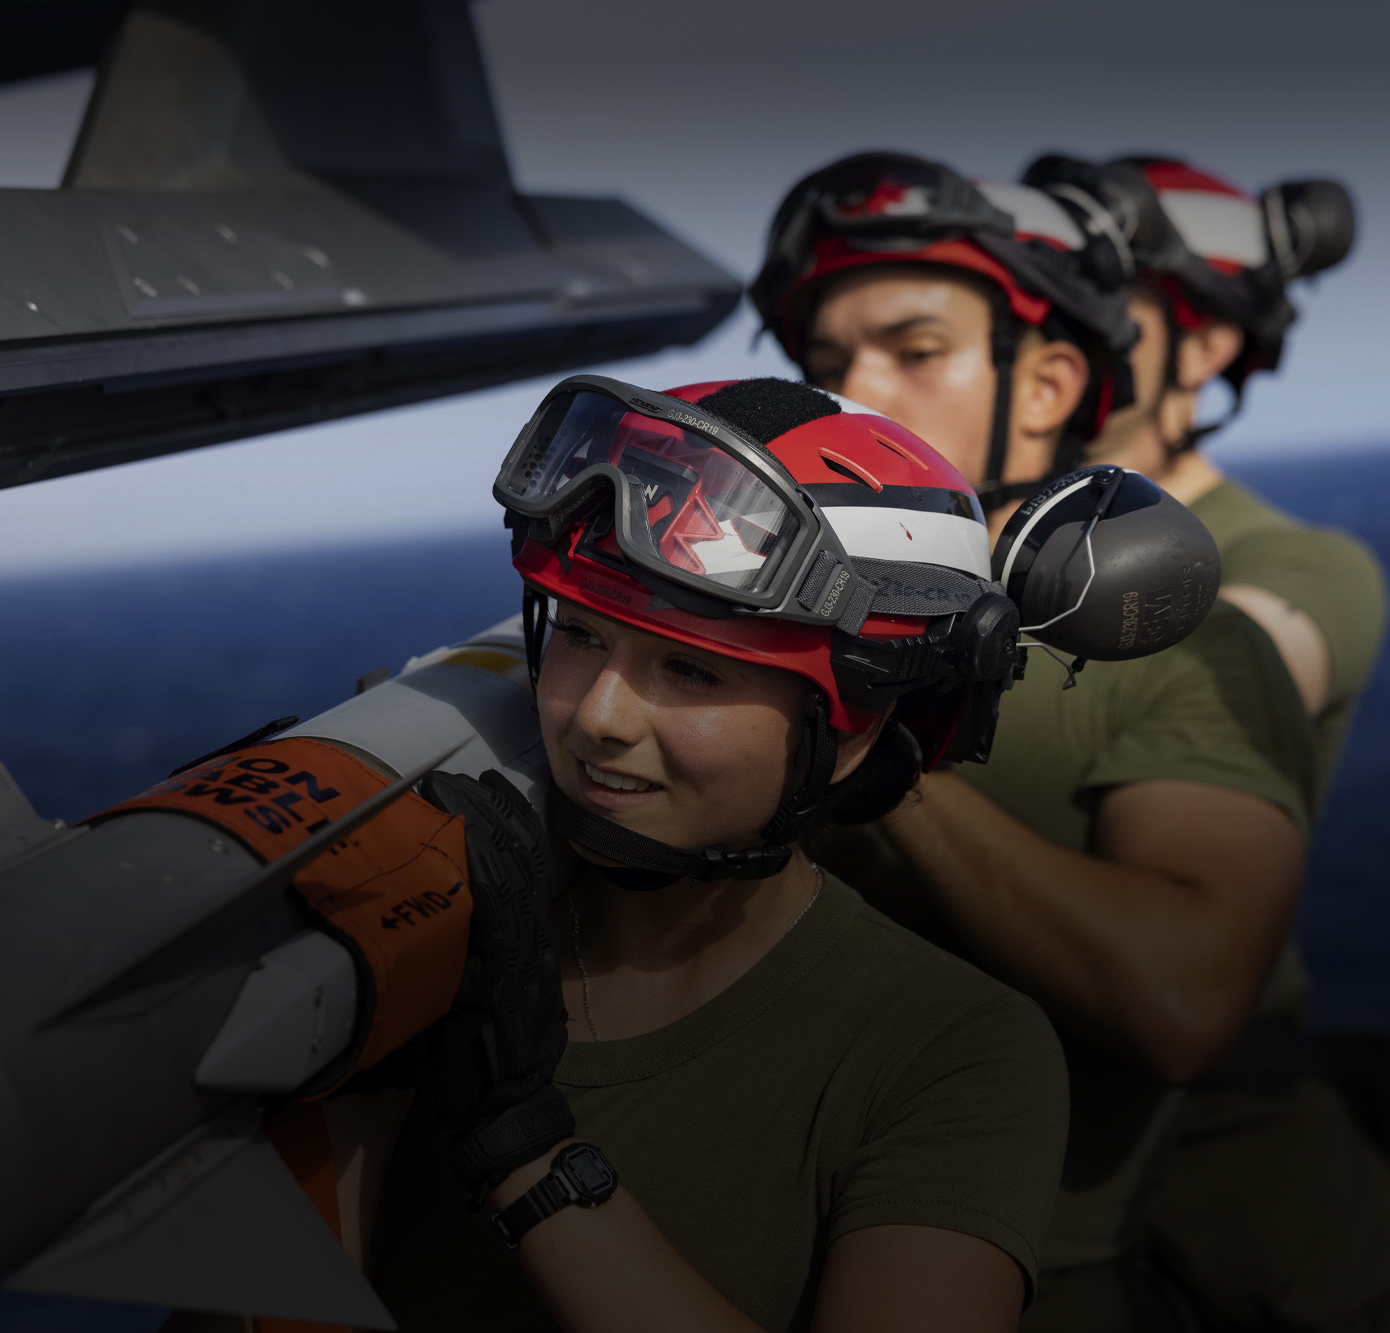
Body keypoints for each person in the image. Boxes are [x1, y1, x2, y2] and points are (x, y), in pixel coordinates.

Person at [359, 376, 1073, 1331]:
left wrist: (522, 1143)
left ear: (853, 728)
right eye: (580, 632)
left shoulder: (956, 1050)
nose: (600, 717)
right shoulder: (442, 931)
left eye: (689, 668)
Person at [751, 152, 1324, 1328]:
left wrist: (878, 757)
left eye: (913, 351)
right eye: (824, 363)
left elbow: (1184, 999)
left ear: (1048, 383)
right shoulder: (758, 617)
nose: (852, 395)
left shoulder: (1189, 647)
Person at [1022, 153, 1390, 1330]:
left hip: (1233, 1187)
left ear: (1206, 346)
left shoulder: (1294, 565)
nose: (1055, 328)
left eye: (1099, 300)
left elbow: (1218, 665)